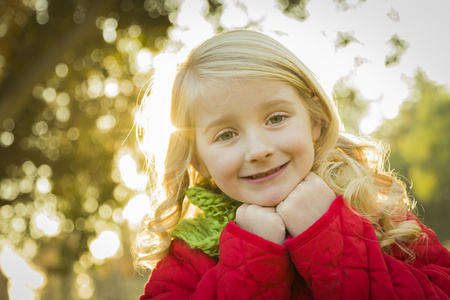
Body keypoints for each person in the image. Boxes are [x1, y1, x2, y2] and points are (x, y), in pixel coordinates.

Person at [134, 30, 450, 299]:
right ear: (198, 160)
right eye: (226, 134)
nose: (258, 150)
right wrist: (252, 258)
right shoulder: (186, 261)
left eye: (276, 118)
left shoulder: (376, 213)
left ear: (314, 121)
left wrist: (328, 237)